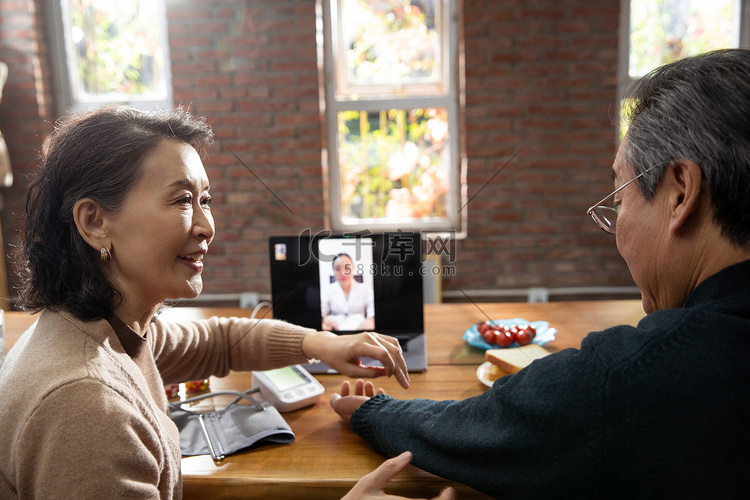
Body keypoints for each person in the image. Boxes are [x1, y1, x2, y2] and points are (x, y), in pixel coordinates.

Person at [331, 48, 750, 499]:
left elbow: (489, 429)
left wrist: (374, 412)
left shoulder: (637, 377)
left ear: (681, 193)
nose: (617, 229)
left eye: (619, 199)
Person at [0, 104, 411, 498]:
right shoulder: (86, 405)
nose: (207, 225)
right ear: (94, 222)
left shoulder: (106, 331)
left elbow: (218, 341)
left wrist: (322, 343)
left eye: (206, 200)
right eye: (182, 200)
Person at [321, 252, 375, 331]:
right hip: (336, 331)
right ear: (333, 271)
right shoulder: (327, 290)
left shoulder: (365, 289)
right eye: (338, 269)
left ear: (353, 268)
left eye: (347, 268)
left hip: (360, 329)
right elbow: (322, 313)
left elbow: (372, 314)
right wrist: (325, 320)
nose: (343, 273)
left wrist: (368, 324)